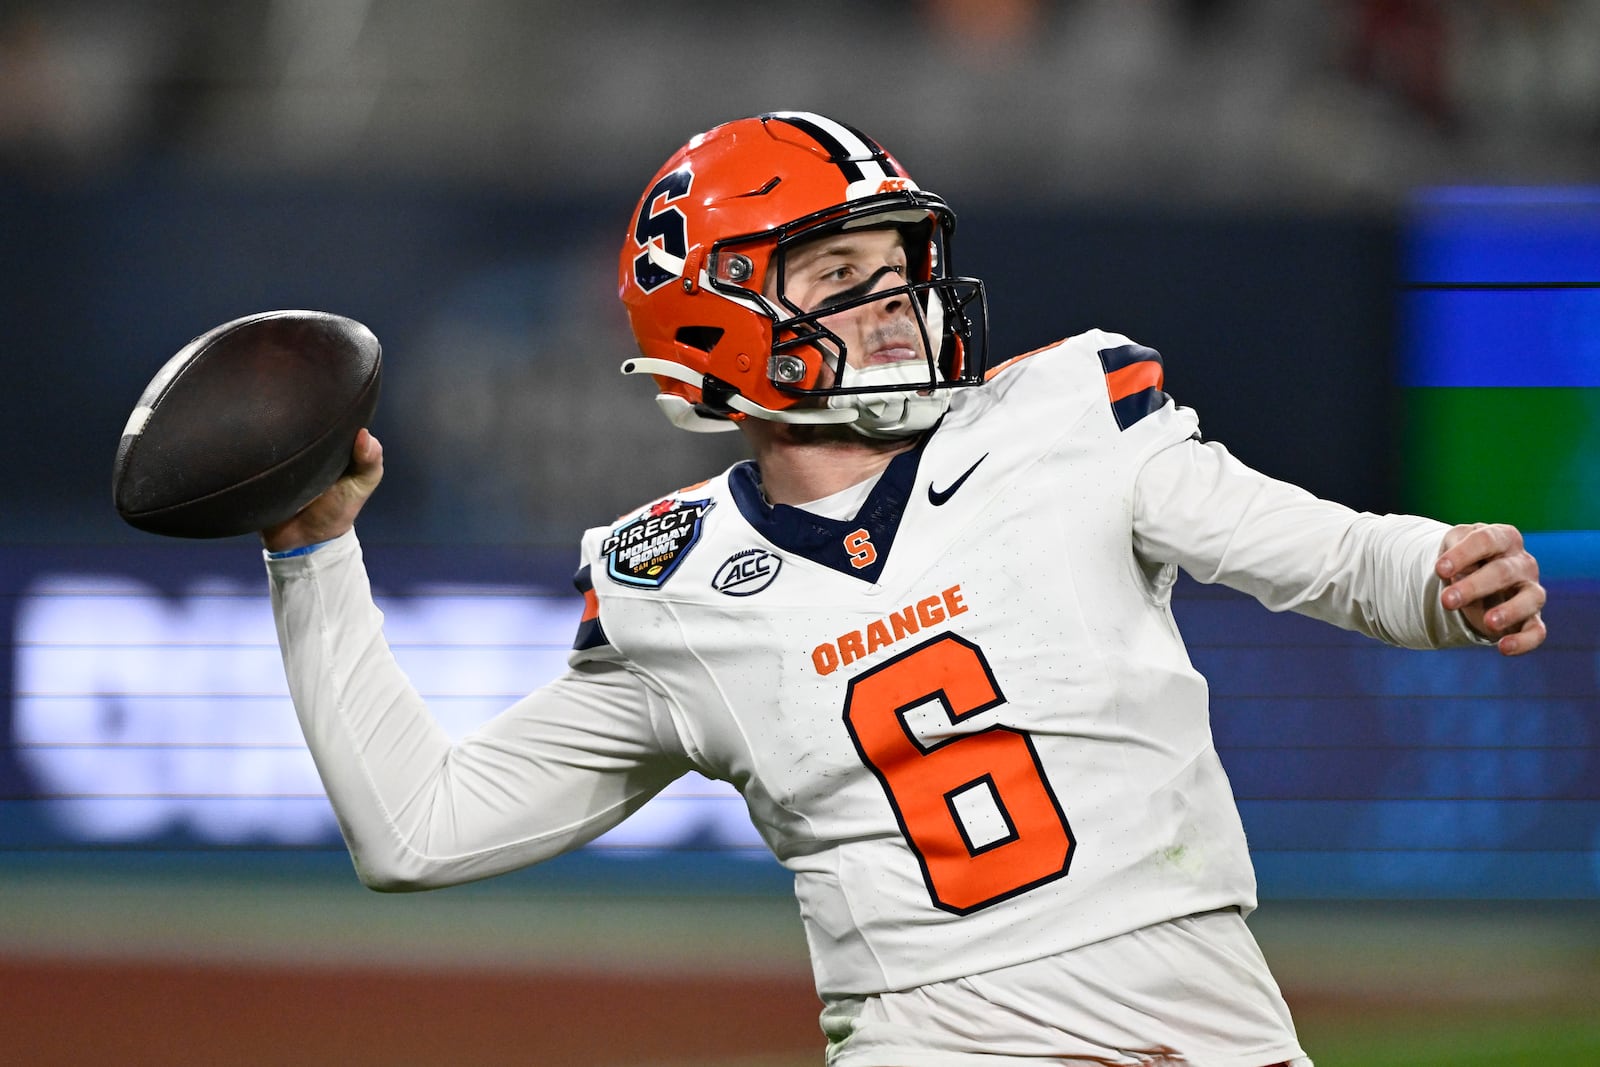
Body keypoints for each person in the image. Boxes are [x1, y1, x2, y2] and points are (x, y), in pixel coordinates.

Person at [261, 112, 1547, 1067]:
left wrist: (1432, 571)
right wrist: (315, 553)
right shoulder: (672, 584)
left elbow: (1316, 548)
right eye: (837, 275)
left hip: (1200, 1020)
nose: (892, 300)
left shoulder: (1063, 417)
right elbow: (418, 828)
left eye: (898, 260)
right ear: (715, 321)